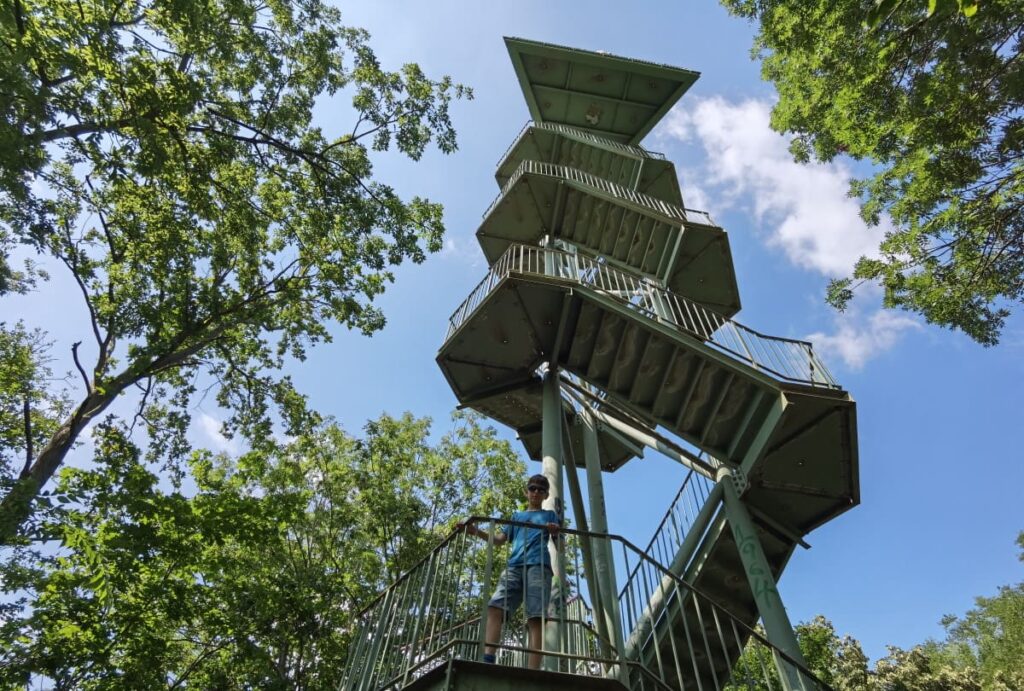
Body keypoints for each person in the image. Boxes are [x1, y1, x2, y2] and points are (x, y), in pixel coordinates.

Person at [459, 473, 560, 669]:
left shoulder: (550, 516)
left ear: (546, 494)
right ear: (526, 492)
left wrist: (555, 533)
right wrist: (475, 532)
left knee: (535, 617)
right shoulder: (516, 517)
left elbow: (560, 547)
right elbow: (498, 540)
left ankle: (533, 671)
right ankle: (488, 658)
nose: (536, 492)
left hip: (538, 565)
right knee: (495, 607)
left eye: (541, 489)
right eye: (533, 488)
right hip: (514, 565)